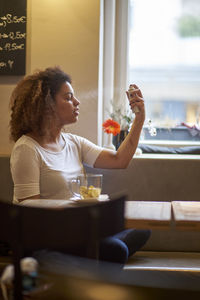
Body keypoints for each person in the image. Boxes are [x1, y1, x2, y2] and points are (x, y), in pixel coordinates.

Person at [9, 66, 151, 265]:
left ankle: (93, 250)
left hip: (78, 229)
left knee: (142, 229)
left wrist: (139, 119)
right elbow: (30, 212)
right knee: (117, 250)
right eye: (68, 98)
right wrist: (77, 216)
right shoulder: (27, 148)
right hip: (45, 239)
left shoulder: (74, 142)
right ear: (46, 104)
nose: (77, 102)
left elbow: (120, 160)